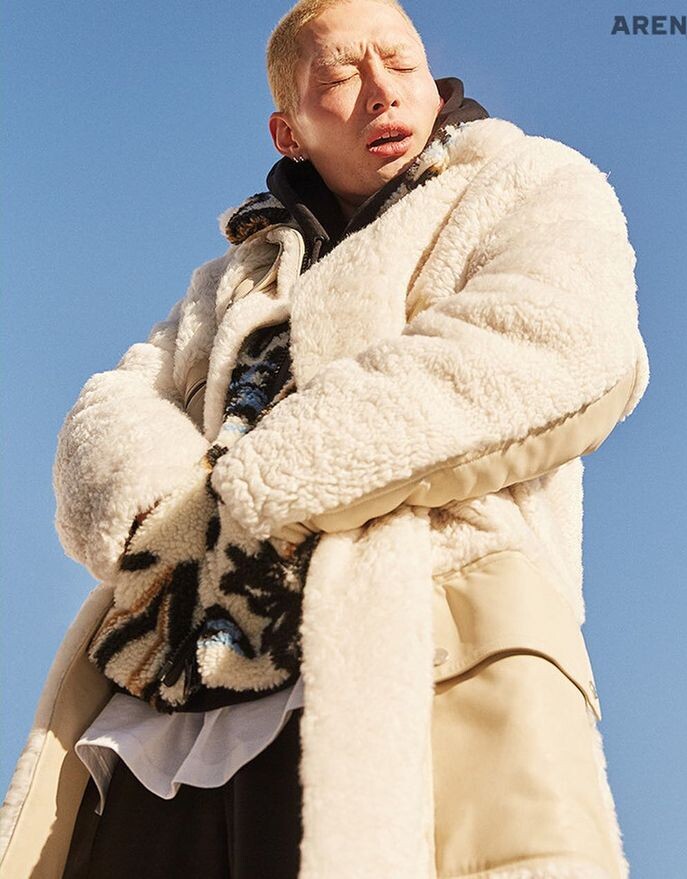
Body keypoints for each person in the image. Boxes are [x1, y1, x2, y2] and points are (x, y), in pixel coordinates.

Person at [0, 0, 650, 877]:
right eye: (339, 76)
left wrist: (259, 486)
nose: (382, 90)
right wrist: (170, 521)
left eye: (402, 62)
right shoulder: (230, 279)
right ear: (289, 132)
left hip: (415, 655)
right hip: (167, 711)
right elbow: (111, 408)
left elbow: (554, 341)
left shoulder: (527, 181)